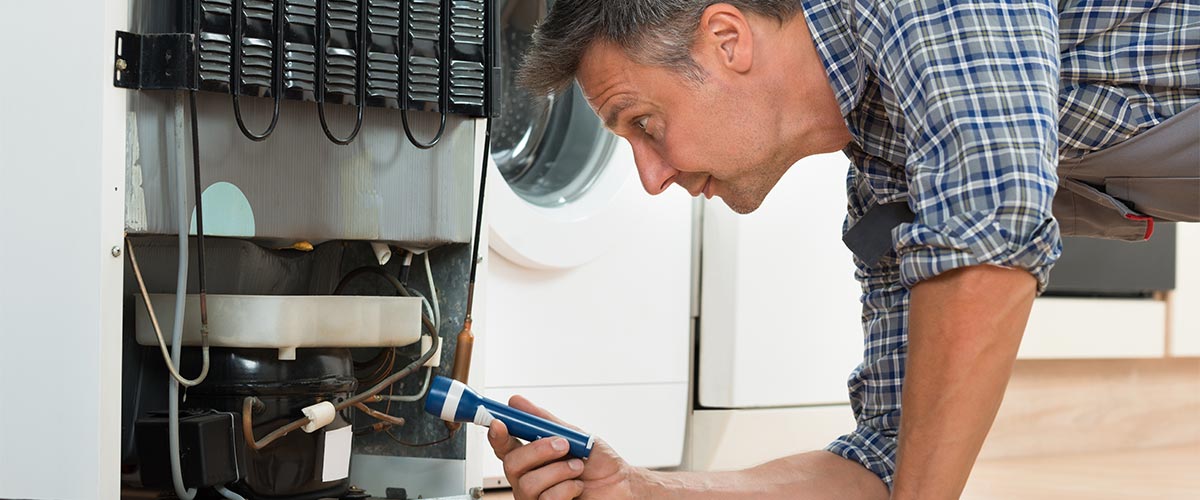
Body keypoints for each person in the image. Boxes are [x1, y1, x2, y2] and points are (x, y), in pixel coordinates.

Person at [485, 1, 1200, 498]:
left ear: (727, 39)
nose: (650, 176)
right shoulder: (887, 165)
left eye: (645, 123)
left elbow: (989, 226)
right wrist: (646, 490)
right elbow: (885, 465)